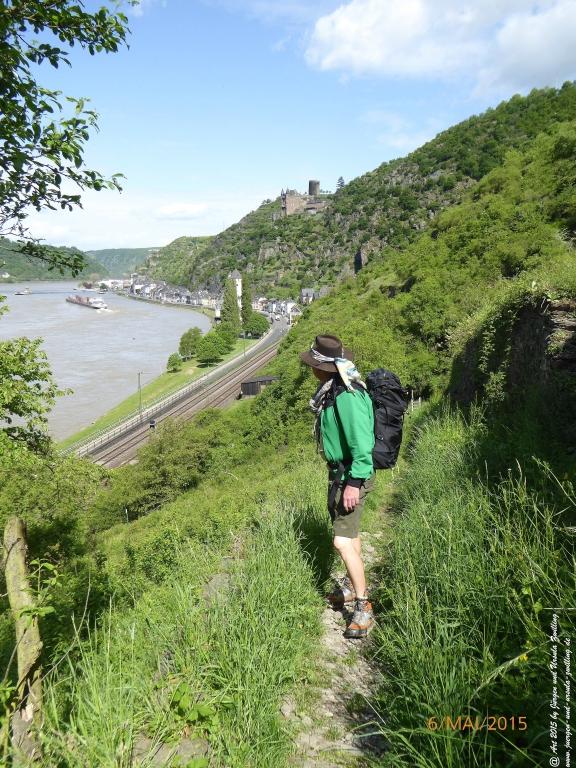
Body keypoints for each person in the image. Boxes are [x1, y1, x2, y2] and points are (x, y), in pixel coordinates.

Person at [300, 334, 375, 639]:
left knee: (341, 542)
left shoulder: (346, 397)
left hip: (351, 476)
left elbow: (362, 444)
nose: (311, 368)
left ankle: (363, 605)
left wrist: (354, 483)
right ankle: (348, 588)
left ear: (325, 367)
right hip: (342, 475)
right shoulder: (333, 391)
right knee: (350, 534)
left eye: (314, 363)